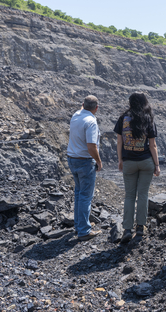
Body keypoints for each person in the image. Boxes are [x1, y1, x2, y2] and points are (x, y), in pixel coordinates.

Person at [114, 92, 160, 243]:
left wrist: (120, 160)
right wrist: (157, 165)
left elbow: (119, 142)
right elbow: (153, 145)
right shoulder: (148, 118)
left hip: (128, 162)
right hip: (146, 161)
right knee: (143, 194)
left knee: (129, 195)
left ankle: (127, 229)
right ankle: (140, 228)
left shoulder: (123, 118)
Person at [67, 95, 102, 241]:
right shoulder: (91, 122)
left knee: (78, 193)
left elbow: (83, 108)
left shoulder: (76, 115)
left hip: (72, 159)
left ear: (82, 104)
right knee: (85, 196)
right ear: (96, 108)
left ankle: (79, 224)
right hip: (85, 162)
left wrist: (84, 105)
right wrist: (98, 161)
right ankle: (83, 230)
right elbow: (91, 146)